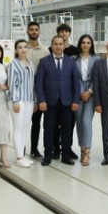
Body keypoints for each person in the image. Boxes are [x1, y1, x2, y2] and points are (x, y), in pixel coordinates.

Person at [35, 35, 80, 166]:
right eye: (56, 44)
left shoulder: (71, 62)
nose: (58, 46)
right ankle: (48, 156)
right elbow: (39, 83)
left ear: (64, 46)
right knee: (49, 129)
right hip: (49, 103)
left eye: (60, 44)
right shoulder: (44, 62)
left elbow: (76, 83)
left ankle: (65, 155)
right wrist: (41, 100)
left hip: (67, 102)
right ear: (52, 45)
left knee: (67, 130)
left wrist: (75, 101)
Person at [8, 39, 36, 168]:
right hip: (17, 100)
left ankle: (22, 156)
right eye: (20, 47)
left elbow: (32, 84)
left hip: (29, 99)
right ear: (16, 50)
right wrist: (15, 101)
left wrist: (34, 100)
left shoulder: (30, 64)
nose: (23, 49)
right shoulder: (13, 64)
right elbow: (11, 84)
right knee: (18, 129)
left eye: (25, 47)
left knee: (25, 129)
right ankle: (19, 158)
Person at [74, 34, 98, 166]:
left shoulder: (97, 59)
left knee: (86, 122)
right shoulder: (74, 59)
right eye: (83, 42)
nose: (85, 45)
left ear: (91, 45)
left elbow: (98, 78)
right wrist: (80, 91)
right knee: (79, 123)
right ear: (80, 44)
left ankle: (87, 151)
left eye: (88, 43)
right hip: (78, 93)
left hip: (91, 94)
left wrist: (89, 91)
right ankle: (82, 149)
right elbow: (74, 77)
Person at [27, 21, 50, 158]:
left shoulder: (45, 51)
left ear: (39, 32)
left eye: (36, 29)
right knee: (23, 123)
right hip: (24, 92)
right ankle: (21, 149)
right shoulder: (22, 48)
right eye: (31, 29)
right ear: (27, 31)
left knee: (36, 123)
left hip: (40, 92)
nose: (34, 32)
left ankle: (34, 149)